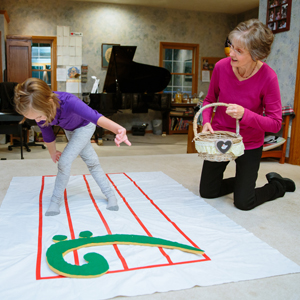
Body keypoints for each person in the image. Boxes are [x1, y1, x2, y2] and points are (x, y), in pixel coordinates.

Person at [199, 19, 295, 211]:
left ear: (257, 55)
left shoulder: (268, 77)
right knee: (207, 191)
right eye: (231, 47)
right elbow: (209, 100)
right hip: (221, 136)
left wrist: (245, 115)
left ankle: (278, 185)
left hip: (249, 142)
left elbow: (276, 124)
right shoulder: (220, 67)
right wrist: (207, 121)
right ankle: (244, 183)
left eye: (239, 51)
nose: (231, 53)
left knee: (244, 203)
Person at [14, 78, 131, 216]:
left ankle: (55, 201)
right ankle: (111, 195)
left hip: (85, 126)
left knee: (64, 162)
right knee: (92, 162)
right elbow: (47, 133)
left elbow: (95, 117)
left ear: (50, 102)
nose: (38, 121)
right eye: (34, 118)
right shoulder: (40, 111)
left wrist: (118, 129)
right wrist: (52, 152)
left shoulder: (69, 101)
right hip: (70, 130)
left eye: (39, 116)